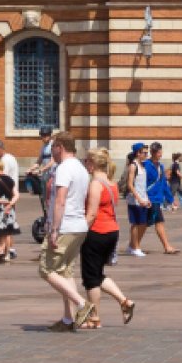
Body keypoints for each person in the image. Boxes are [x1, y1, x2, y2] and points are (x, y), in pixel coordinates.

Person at [37, 134, 91, 330]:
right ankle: (69, 319)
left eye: (53, 148)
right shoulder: (81, 168)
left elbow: (60, 201)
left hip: (65, 226)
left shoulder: (64, 168)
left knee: (46, 270)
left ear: (59, 147)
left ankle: (82, 304)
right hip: (79, 226)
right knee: (66, 272)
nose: (51, 152)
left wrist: (54, 229)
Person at [77, 148, 137, 326]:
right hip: (111, 231)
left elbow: (92, 214)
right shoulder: (111, 182)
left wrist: (79, 233)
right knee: (97, 273)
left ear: (93, 163)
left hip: (97, 232)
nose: (85, 163)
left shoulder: (96, 184)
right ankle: (125, 302)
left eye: (86, 160)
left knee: (90, 278)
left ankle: (95, 318)